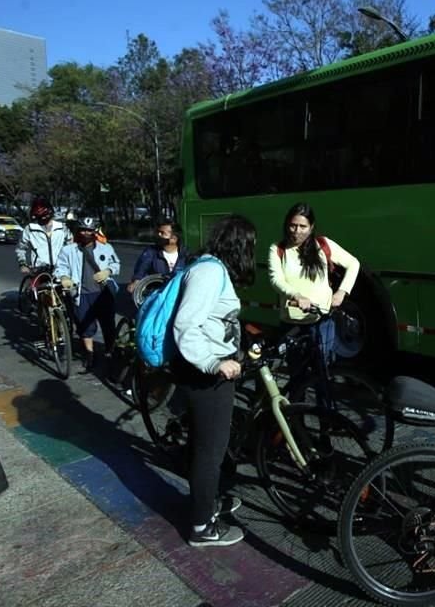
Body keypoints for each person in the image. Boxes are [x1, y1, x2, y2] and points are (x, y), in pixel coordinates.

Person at [172, 215, 256, 547]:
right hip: (205, 374)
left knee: (203, 445)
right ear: (239, 245)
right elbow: (186, 325)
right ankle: (202, 527)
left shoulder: (211, 268)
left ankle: (205, 503)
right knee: (211, 451)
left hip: (209, 371)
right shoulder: (208, 272)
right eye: (250, 244)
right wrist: (214, 362)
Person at [267, 203, 360, 396]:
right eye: (293, 225)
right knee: (297, 376)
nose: (297, 231)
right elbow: (276, 279)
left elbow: (353, 264)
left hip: (322, 320)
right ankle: (294, 421)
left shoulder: (323, 245)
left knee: (322, 374)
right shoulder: (278, 249)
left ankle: (328, 422)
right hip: (292, 323)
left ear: (311, 227)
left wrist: (342, 292)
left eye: (303, 227)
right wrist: (296, 295)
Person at [55, 217, 120, 371]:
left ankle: (110, 353)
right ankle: (89, 354)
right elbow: (60, 267)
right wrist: (64, 277)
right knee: (85, 326)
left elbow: (116, 264)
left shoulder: (106, 248)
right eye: (83, 230)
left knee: (108, 325)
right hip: (81, 293)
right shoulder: (68, 250)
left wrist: (107, 271)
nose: (86, 233)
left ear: (95, 231)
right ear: (78, 231)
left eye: (89, 230)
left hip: (103, 294)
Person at [128, 220, 189, 293]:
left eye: (163, 233)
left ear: (174, 238)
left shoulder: (186, 255)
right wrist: (136, 282)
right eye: (158, 232)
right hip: (156, 295)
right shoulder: (150, 252)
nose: (159, 235)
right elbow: (141, 271)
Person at [16, 198, 72, 273]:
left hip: (60, 268)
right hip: (39, 269)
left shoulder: (62, 228)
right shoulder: (30, 229)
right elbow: (20, 248)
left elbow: (71, 246)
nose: (44, 222)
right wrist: (23, 264)